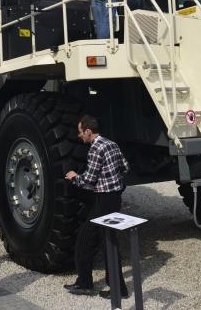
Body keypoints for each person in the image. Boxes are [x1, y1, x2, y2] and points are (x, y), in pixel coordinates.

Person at [64, 115, 130, 299]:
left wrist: (73, 177)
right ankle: (90, 283)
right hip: (113, 198)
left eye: (80, 132)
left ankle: (109, 288)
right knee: (103, 240)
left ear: (88, 131)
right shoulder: (112, 144)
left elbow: (89, 180)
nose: (79, 137)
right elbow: (125, 167)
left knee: (99, 241)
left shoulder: (95, 149)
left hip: (103, 199)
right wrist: (112, 179)